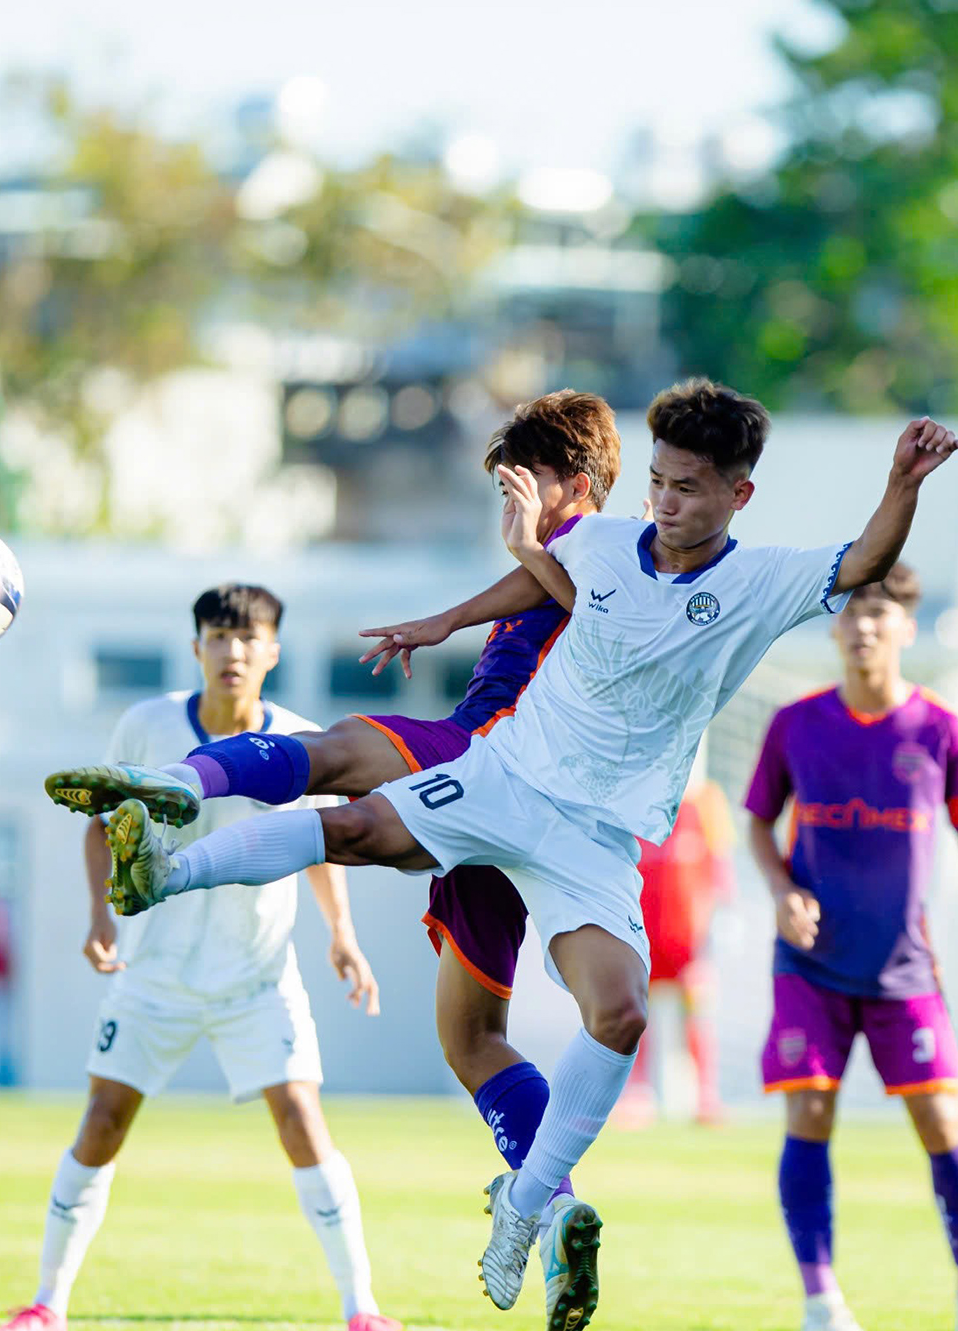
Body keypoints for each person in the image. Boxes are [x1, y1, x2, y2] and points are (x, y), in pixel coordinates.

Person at [60, 379, 958, 1331]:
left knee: (616, 1010)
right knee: (357, 822)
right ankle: (167, 868)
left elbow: (866, 556)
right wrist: (466, 600)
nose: (664, 501)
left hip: (597, 836)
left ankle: (527, 1203)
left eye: (690, 487)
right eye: (657, 481)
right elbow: (543, 572)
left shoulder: (761, 579)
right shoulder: (607, 540)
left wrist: (903, 480)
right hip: (507, 772)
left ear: (737, 496)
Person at [41, 390, 620, 1247]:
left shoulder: (596, 543)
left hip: (483, 754)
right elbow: (569, 601)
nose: (511, 504)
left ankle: (180, 792)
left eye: (520, 484)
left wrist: (517, 552)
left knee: (339, 756)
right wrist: (457, 613)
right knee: (471, 1041)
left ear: (575, 482)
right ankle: (558, 1205)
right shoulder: (578, 551)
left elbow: (591, 603)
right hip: (527, 821)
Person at [0, 583, 413, 1331]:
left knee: (304, 1125)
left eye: (249, 638)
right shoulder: (147, 726)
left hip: (257, 977)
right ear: (196, 650)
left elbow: (322, 841)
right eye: (218, 637)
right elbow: (101, 821)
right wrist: (98, 915)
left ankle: (363, 1310)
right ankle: (46, 1307)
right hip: (154, 979)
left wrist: (343, 934)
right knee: (102, 1125)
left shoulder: (301, 740)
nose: (233, 651)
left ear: (273, 652)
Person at [743, 563, 958, 1331]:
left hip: (903, 969)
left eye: (880, 613)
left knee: (941, 1116)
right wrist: (779, 889)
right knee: (810, 1108)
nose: (863, 626)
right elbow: (758, 824)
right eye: (851, 614)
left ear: (906, 629)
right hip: (810, 965)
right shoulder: (796, 724)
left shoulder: (939, 731)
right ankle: (820, 1300)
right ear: (835, 629)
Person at [618, 770, 736, 1127]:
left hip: (689, 938)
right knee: (634, 1014)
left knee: (697, 1014)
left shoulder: (705, 801)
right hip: (643, 931)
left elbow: (720, 864)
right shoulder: (633, 799)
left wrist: (725, 917)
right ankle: (637, 1094)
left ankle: (706, 1098)